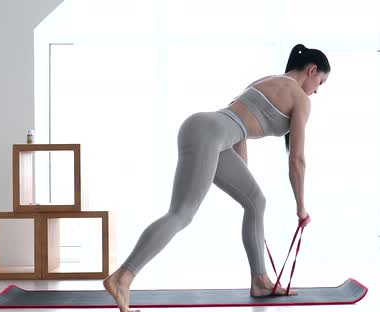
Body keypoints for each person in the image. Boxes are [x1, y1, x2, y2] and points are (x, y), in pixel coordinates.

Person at [103, 43, 330, 312]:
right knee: (181, 214)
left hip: (209, 130)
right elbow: (297, 160)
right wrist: (301, 207)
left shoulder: (267, 81)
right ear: (312, 70)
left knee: (256, 201)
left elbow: (239, 127)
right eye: (320, 82)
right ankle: (122, 277)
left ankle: (260, 280)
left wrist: (242, 175)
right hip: (210, 134)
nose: (317, 90)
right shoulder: (301, 100)